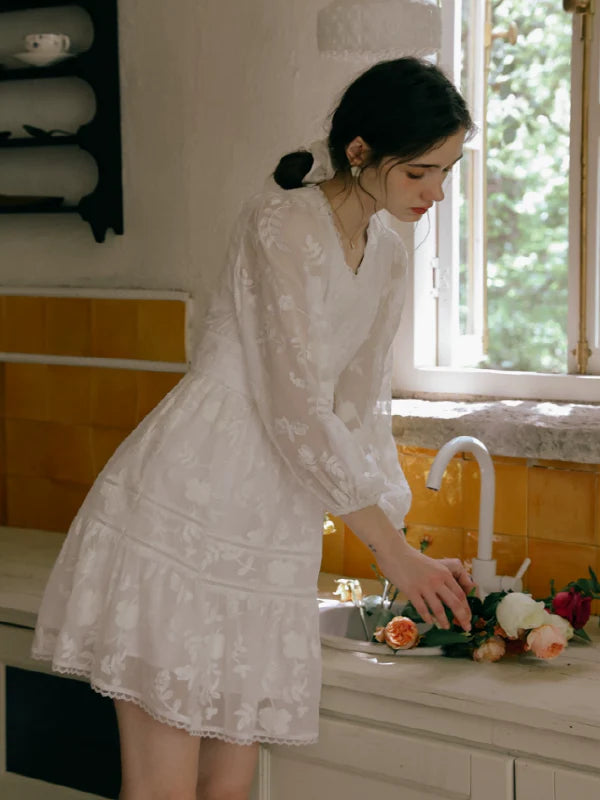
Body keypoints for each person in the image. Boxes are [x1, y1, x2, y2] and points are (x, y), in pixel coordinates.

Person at [31, 57, 477, 800]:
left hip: (271, 533)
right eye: (419, 173)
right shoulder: (283, 220)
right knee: (165, 792)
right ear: (361, 152)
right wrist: (391, 552)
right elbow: (292, 405)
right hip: (187, 510)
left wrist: (400, 544)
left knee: (229, 791)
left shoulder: (391, 254)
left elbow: (361, 408)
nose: (434, 193)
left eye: (446, 173)